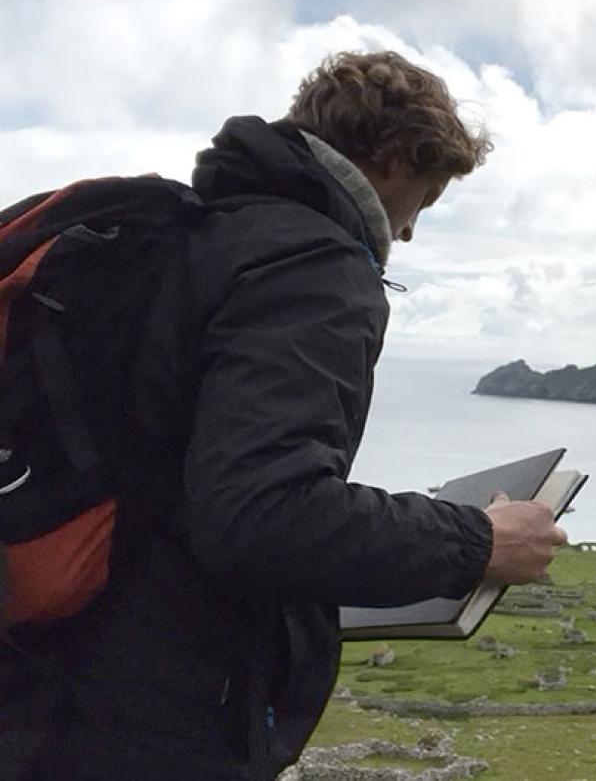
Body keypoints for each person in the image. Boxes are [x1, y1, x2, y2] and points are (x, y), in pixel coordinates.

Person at [0, 50, 567, 780]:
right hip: (153, 716)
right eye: (424, 199)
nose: (412, 232)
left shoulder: (191, 237)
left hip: (44, 673)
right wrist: (476, 541)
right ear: (395, 158)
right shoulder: (313, 265)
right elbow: (261, 513)